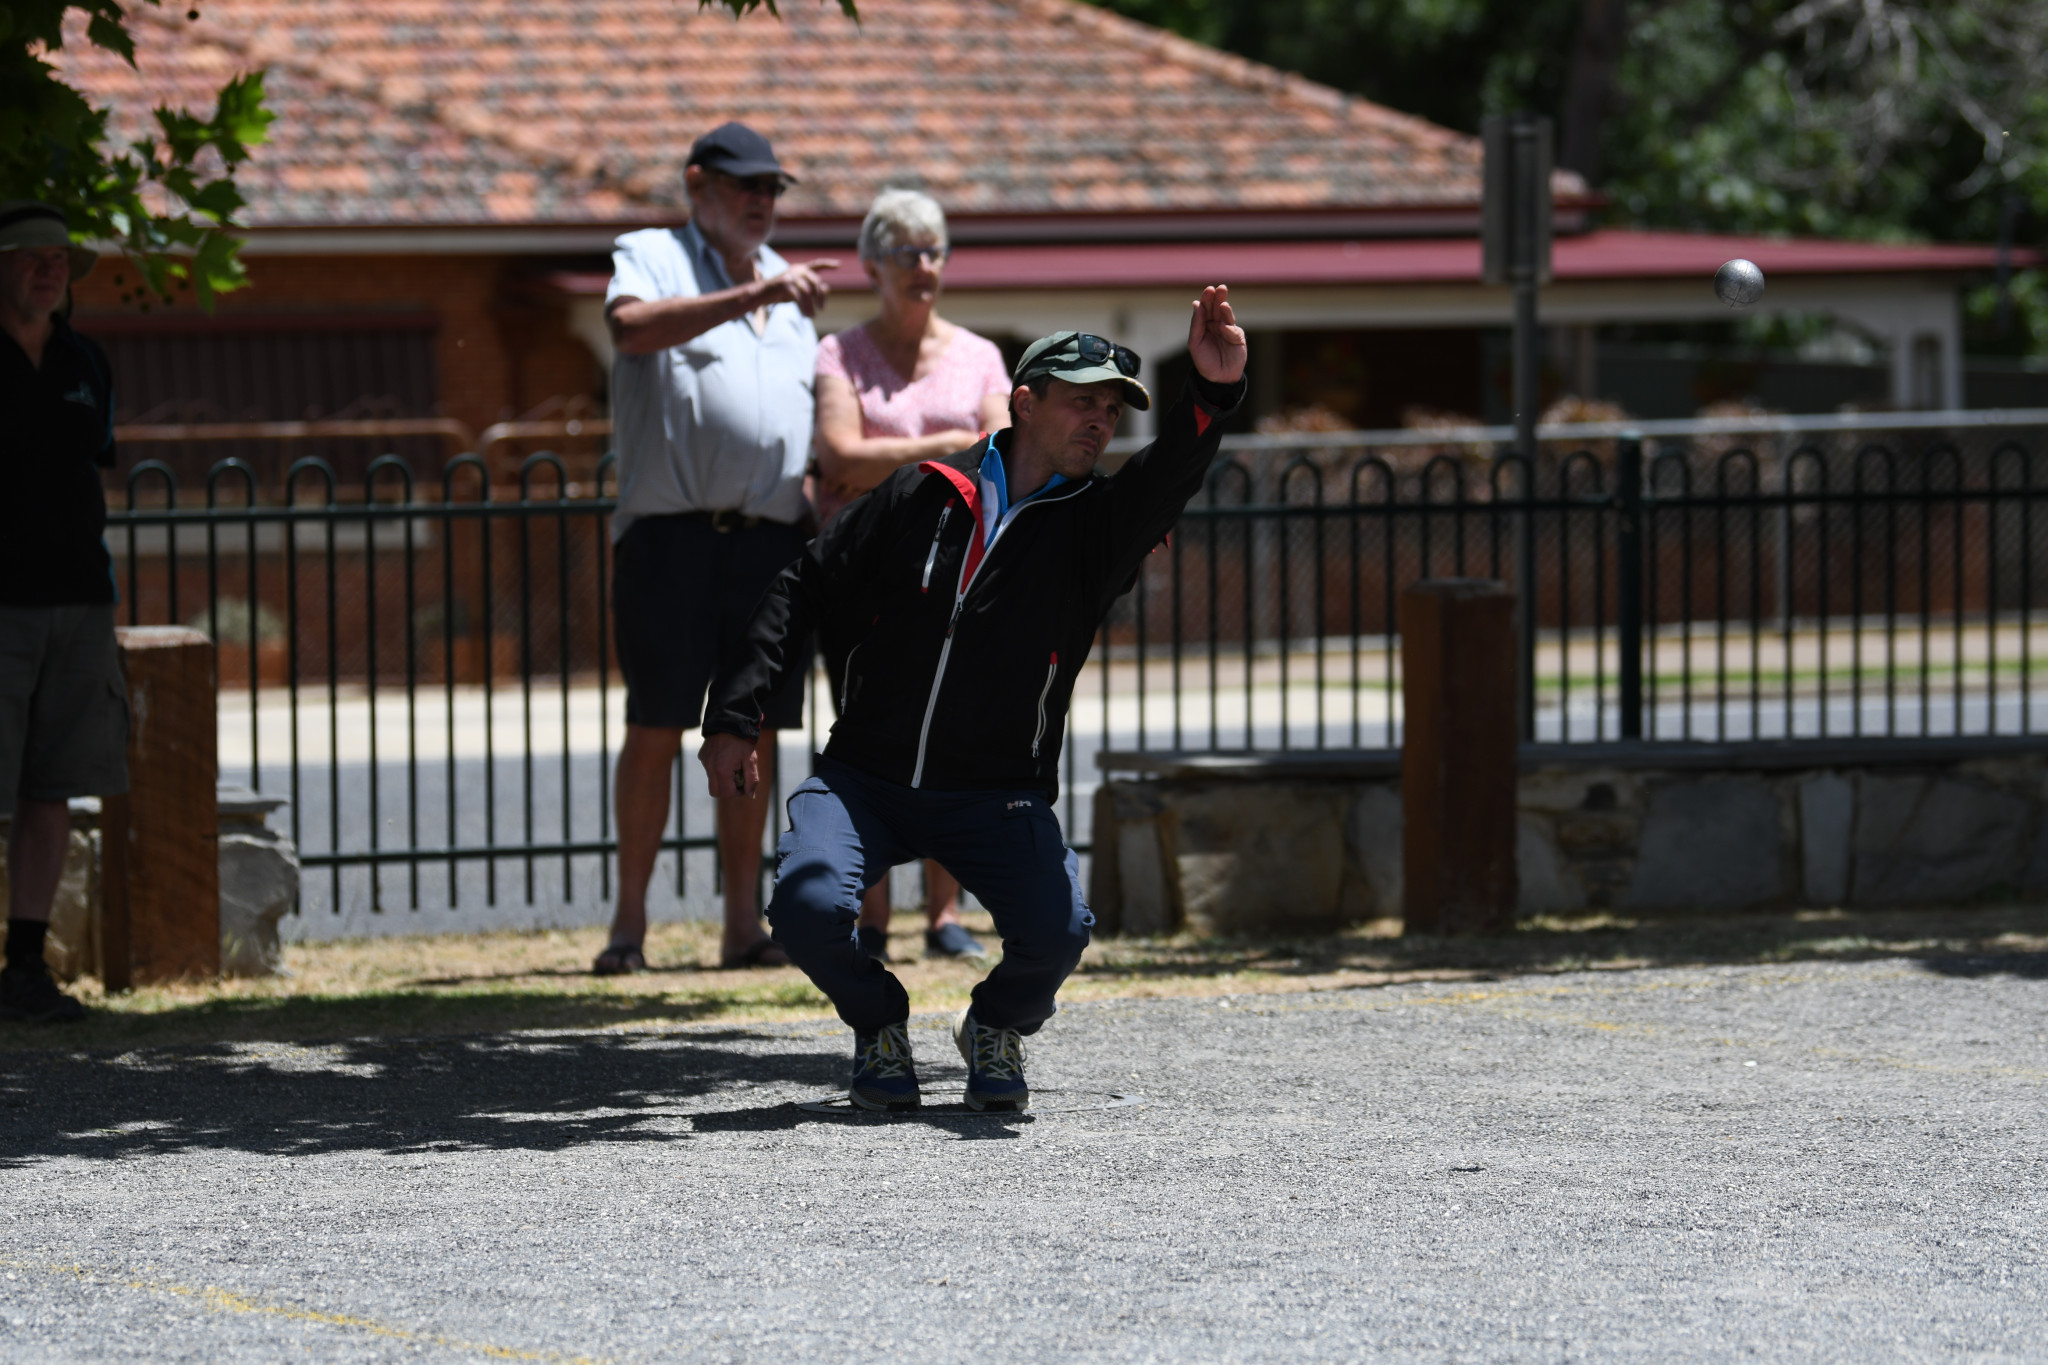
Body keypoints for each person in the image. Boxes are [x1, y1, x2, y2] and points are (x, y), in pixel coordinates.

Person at [701, 286, 1248, 1110]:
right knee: (808, 906)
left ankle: (994, 1022)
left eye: (1111, 409)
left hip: (996, 793)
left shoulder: (1100, 528)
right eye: (1081, 403)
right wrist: (735, 716)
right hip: (866, 778)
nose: (1099, 421)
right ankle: (878, 1018)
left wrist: (1210, 394)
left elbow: (1170, 475)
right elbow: (801, 585)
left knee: (1059, 930)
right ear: (1024, 402)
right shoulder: (923, 492)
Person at [598, 122, 840, 973]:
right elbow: (629, 330)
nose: (762, 201)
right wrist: (754, 297)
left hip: (770, 544)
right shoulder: (653, 254)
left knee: (756, 732)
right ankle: (629, 928)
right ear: (697, 185)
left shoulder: (789, 286)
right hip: (672, 537)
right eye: (746, 186)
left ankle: (744, 925)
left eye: (773, 188)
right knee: (657, 724)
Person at [812, 188, 1011, 965]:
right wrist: (947, 443)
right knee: (864, 739)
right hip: (860, 579)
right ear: (872, 267)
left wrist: (904, 452)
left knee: (953, 733)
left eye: (934, 251)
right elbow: (837, 455)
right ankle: (870, 917)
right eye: (906, 252)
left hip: (954, 576)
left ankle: (944, 913)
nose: (923, 265)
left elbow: (1000, 443)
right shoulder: (839, 354)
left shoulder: (978, 355)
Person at [0, 201, 123, 1024]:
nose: (50, 270)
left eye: (60, 259)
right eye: (30, 256)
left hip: (78, 598)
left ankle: (25, 969)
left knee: (51, 790)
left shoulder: (87, 360)